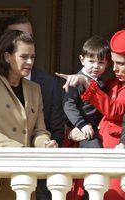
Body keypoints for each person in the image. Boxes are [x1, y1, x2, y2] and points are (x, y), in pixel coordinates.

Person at [0, 15, 65, 200]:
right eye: (18, 35)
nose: (25, 41)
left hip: (39, 180)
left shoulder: (47, 85)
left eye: (29, 36)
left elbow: (54, 131)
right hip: (1, 173)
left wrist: (47, 143)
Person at [56, 29, 125, 199]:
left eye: (121, 63)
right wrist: (72, 131)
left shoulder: (93, 82)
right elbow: (72, 107)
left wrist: (87, 83)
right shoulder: (109, 83)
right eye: (114, 62)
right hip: (90, 144)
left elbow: (114, 110)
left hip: (114, 160)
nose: (115, 68)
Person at [63, 35, 111, 148]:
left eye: (101, 62)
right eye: (91, 61)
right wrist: (81, 124)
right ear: (82, 60)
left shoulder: (102, 82)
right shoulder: (75, 80)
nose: (96, 66)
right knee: (95, 151)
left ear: (107, 64)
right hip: (83, 127)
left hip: (99, 127)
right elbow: (69, 106)